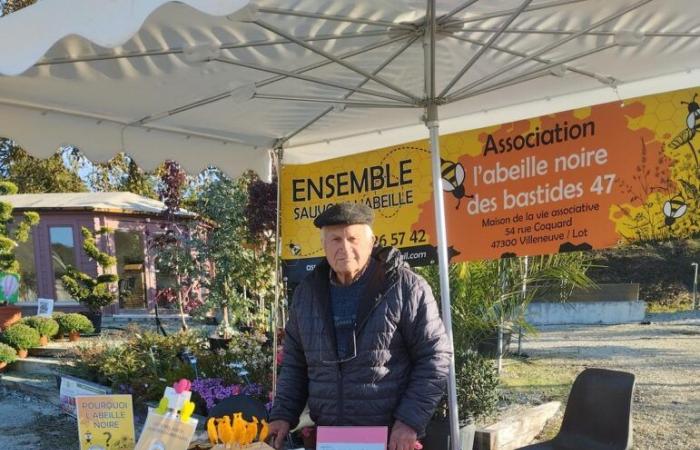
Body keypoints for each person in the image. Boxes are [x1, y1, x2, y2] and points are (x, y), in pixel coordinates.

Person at [269, 202, 452, 450]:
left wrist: (409, 421)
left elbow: (435, 356)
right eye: (334, 240)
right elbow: (295, 363)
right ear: (323, 245)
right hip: (331, 439)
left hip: (390, 438)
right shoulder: (306, 294)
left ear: (371, 241)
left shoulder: (405, 287)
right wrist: (282, 414)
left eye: (353, 238)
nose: (344, 248)